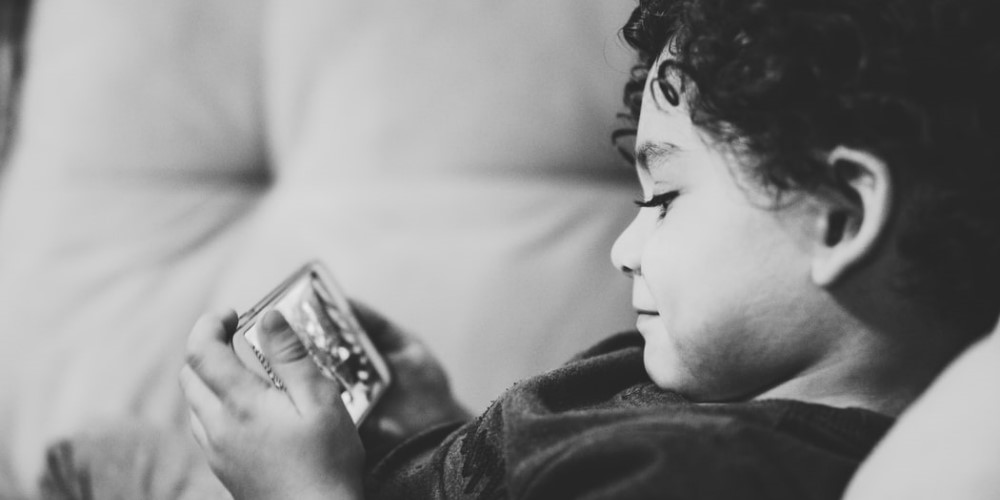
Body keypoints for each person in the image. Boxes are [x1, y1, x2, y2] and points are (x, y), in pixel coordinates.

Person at [180, 0, 1000, 498]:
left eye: (665, 199)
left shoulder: (704, 480)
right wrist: (435, 420)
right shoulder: (701, 376)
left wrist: (299, 490)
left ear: (840, 214)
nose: (623, 248)